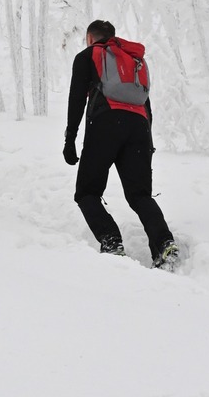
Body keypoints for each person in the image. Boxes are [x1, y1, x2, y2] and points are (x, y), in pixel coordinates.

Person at [63, 20, 179, 267]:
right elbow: (144, 101)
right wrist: (146, 141)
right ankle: (165, 246)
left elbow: (76, 98)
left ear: (90, 38)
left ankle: (111, 241)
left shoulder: (88, 55)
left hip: (105, 125)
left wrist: (70, 138)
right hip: (139, 127)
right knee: (140, 195)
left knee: (87, 192)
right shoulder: (133, 59)